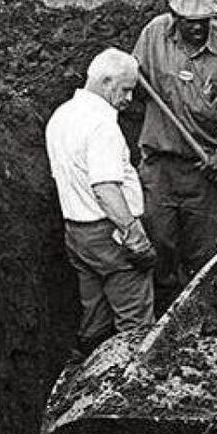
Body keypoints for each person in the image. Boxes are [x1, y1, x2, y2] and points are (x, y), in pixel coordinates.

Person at [132, 0, 217, 305]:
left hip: (205, 173)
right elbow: (133, 86)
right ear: (175, 17)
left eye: (205, 22)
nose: (199, 29)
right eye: (190, 23)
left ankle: (199, 313)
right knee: (160, 247)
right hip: (159, 168)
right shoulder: (153, 35)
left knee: (202, 256)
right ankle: (161, 314)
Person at [46, 48, 155, 357]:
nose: (130, 98)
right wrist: (135, 237)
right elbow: (106, 188)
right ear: (106, 82)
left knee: (95, 315)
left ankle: (85, 372)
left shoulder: (62, 115)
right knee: (136, 325)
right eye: (126, 89)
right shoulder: (102, 125)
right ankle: (134, 382)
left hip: (78, 233)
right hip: (111, 235)